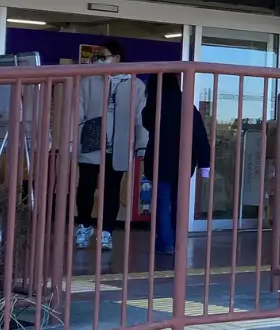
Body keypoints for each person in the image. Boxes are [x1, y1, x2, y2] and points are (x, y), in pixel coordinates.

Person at [74, 40, 148, 254]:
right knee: (86, 188)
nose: (98, 60)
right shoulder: (87, 81)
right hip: (90, 143)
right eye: (96, 57)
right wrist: (74, 139)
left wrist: (141, 145)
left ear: (117, 59)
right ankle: (85, 225)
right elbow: (77, 113)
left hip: (119, 145)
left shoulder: (135, 85)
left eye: (103, 56)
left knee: (111, 190)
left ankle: (106, 231)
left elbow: (140, 118)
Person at [141, 71, 211, 269]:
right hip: (183, 163)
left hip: (160, 161)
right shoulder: (187, 105)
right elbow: (199, 135)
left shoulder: (154, 105)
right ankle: (177, 240)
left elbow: (146, 122)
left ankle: (165, 243)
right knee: (178, 203)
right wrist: (205, 163)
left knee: (162, 202)